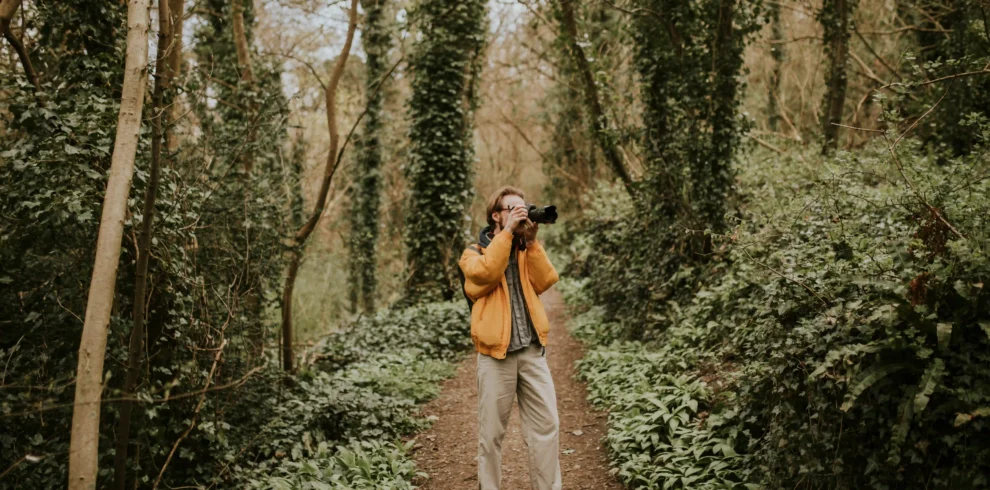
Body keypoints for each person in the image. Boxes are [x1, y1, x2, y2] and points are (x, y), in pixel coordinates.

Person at [458, 186, 561, 490]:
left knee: (547, 427)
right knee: (491, 435)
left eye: (523, 208)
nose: (520, 213)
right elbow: (487, 273)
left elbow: (546, 281)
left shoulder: (523, 249)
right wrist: (507, 235)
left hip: (532, 352)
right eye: (512, 209)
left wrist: (531, 243)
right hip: (495, 357)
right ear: (495, 215)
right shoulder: (472, 254)